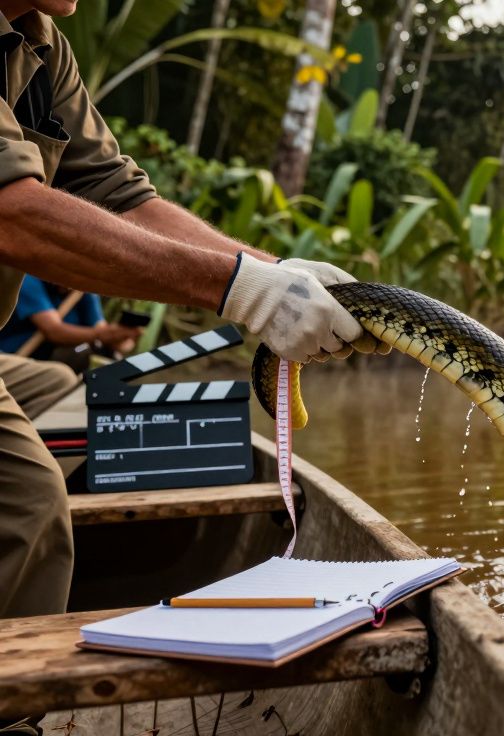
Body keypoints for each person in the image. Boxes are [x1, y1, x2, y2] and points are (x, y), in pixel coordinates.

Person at [0, 0, 377, 645]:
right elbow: (14, 213)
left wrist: (276, 272)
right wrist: (242, 291)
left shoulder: (41, 40)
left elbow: (120, 193)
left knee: (70, 394)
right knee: (26, 498)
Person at [0, 275, 141, 361]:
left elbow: (101, 329)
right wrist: (104, 335)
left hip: (48, 360)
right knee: (82, 354)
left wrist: (121, 338)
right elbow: (54, 330)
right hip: (13, 355)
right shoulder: (29, 279)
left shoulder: (83, 292)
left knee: (107, 356)